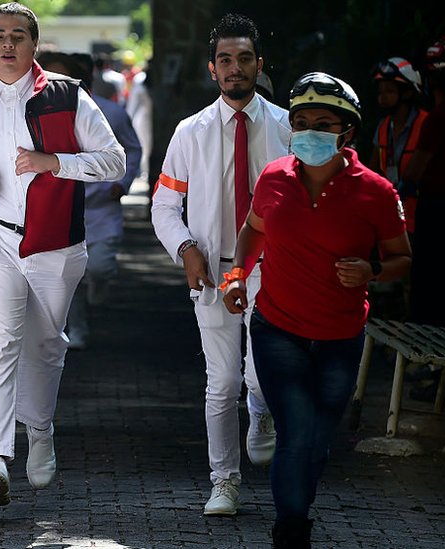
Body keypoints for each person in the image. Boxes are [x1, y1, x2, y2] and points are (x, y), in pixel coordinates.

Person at [0, 2, 125, 506]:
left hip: (56, 239)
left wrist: (54, 162)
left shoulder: (68, 96)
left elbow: (115, 161)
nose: (9, 44)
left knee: (44, 345)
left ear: (34, 45)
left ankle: (39, 431)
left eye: (19, 35)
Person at [222, 71, 412, 548]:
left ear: (347, 132)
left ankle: (296, 513)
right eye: (301, 121)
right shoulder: (273, 176)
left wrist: (371, 270)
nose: (310, 131)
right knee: (296, 434)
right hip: (276, 329)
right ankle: (290, 532)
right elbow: (252, 231)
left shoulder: (376, 192)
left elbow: (402, 259)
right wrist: (234, 277)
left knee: (316, 442)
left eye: (323, 123)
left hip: (341, 337)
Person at [150, 13, 289, 515]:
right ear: (213, 69)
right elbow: (164, 207)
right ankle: (222, 481)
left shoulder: (286, 126)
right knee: (222, 381)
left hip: (270, 270)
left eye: (244, 59)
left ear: (259, 64)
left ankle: (262, 409)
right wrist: (185, 250)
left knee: (259, 376)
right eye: (226, 60)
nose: (235, 69)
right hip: (212, 270)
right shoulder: (191, 132)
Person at [65, 72, 143, 350]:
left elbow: (133, 150)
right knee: (67, 275)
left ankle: (98, 286)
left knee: (98, 267)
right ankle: (76, 329)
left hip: (102, 207)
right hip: (64, 208)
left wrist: (122, 184)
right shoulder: (47, 112)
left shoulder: (111, 112)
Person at [404, 35, 445, 335]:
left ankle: (429, 366)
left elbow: (415, 171)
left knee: (432, 287)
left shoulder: (438, 119)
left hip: (440, 211)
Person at [366, 57, 427, 234]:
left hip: (425, 219)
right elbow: (373, 171)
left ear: (407, 92)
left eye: (390, 91)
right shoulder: (383, 126)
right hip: (391, 221)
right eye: (380, 92)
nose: (382, 97)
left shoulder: (426, 123)